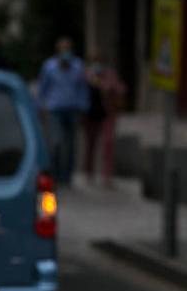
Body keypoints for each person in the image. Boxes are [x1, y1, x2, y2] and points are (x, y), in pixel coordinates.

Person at [36, 36, 89, 187]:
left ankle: (67, 176)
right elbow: (43, 88)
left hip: (72, 109)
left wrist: (84, 106)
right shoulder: (49, 67)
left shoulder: (78, 66)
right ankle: (56, 174)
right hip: (55, 109)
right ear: (58, 51)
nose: (65, 52)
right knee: (57, 143)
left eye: (68, 49)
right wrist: (40, 106)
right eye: (63, 49)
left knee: (71, 145)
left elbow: (82, 89)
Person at [83, 50, 126, 189]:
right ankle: (89, 172)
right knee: (91, 143)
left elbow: (120, 89)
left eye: (100, 61)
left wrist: (103, 85)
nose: (97, 64)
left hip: (107, 113)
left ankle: (107, 175)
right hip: (91, 113)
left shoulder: (110, 74)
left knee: (108, 143)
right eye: (95, 61)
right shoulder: (86, 74)